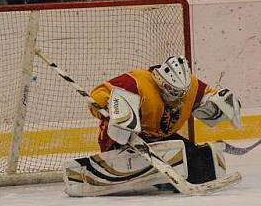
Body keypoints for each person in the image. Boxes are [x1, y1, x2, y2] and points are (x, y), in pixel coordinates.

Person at [79, 56, 242, 192]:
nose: (177, 99)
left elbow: (209, 96)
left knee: (201, 158)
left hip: (160, 139)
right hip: (126, 140)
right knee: (176, 158)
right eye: (172, 92)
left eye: (181, 94)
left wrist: (222, 102)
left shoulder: (190, 85)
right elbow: (96, 96)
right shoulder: (137, 81)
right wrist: (111, 107)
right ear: (160, 81)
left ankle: (170, 177)